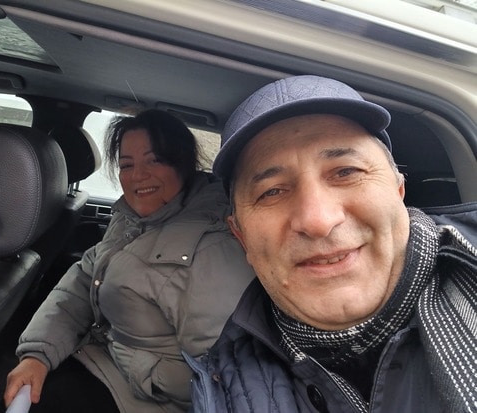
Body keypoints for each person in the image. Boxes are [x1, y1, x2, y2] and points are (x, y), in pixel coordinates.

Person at [187, 75, 477, 413]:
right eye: (272, 192)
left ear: (399, 190)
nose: (318, 221)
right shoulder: (220, 387)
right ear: (241, 237)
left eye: (346, 172)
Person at [2, 109, 254, 413]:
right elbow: (82, 282)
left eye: (154, 160)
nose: (137, 175)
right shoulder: (131, 218)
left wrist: (148, 376)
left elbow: (225, 375)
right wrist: (38, 354)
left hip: (147, 399)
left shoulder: (213, 245)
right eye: (127, 165)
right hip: (99, 359)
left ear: (183, 162)